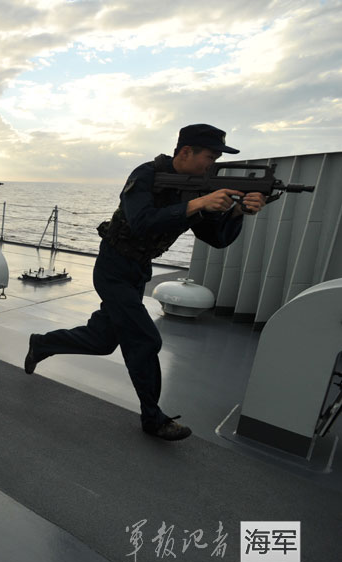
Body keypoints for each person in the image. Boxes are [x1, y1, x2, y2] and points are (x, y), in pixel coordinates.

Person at [23, 124, 267, 441]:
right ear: (185, 152)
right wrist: (197, 204)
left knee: (102, 340)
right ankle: (153, 418)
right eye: (210, 155)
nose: (213, 162)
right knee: (145, 339)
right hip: (113, 267)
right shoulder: (147, 175)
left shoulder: (195, 189)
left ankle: (41, 344)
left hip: (137, 271)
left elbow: (216, 238)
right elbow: (140, 221)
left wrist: (237, 212)